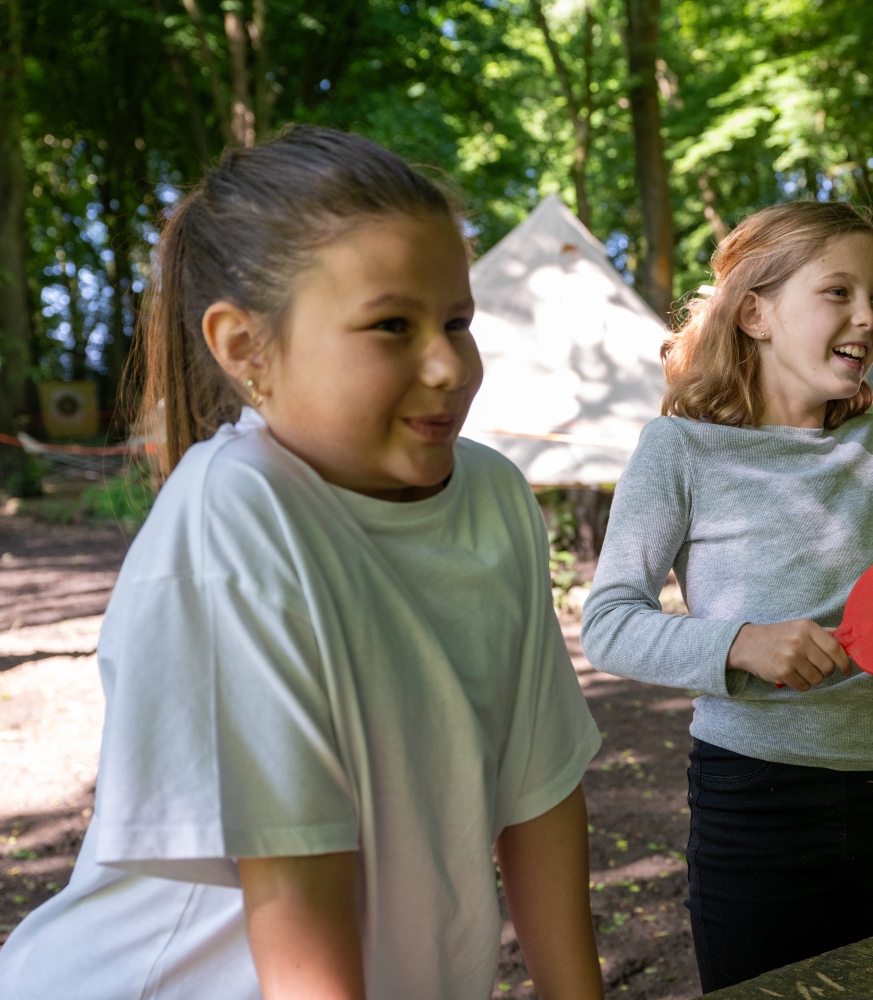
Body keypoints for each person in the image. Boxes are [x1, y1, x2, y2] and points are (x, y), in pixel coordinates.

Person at [0, 127, 604, 1000]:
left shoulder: (494, 496)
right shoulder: (236, 514)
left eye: (458, 322)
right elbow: (293, 894)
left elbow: (539, 795)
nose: (447, 364)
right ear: (246, 349)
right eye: (391, 325)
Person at [581, 200, 873, 991]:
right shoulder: (680, 449)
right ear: (757, 312)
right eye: (839, 292)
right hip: (753, 797)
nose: (868, 317)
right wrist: (739, 643)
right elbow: (607, 622)